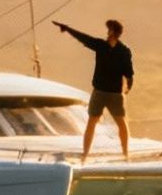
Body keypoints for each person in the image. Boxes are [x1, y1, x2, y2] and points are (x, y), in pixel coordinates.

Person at [54, 18, 132, 161]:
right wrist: (68, 29)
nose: (107, 32)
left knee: (121, 123)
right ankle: (85, 154)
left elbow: (129, 72)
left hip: (115, 94)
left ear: (113, 32)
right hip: (99, 92)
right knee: (92, 122)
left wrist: (128, 85)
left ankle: (126, 154)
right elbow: (84, 38)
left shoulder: (124, 51)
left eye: (109, 30)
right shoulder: (101, 45)